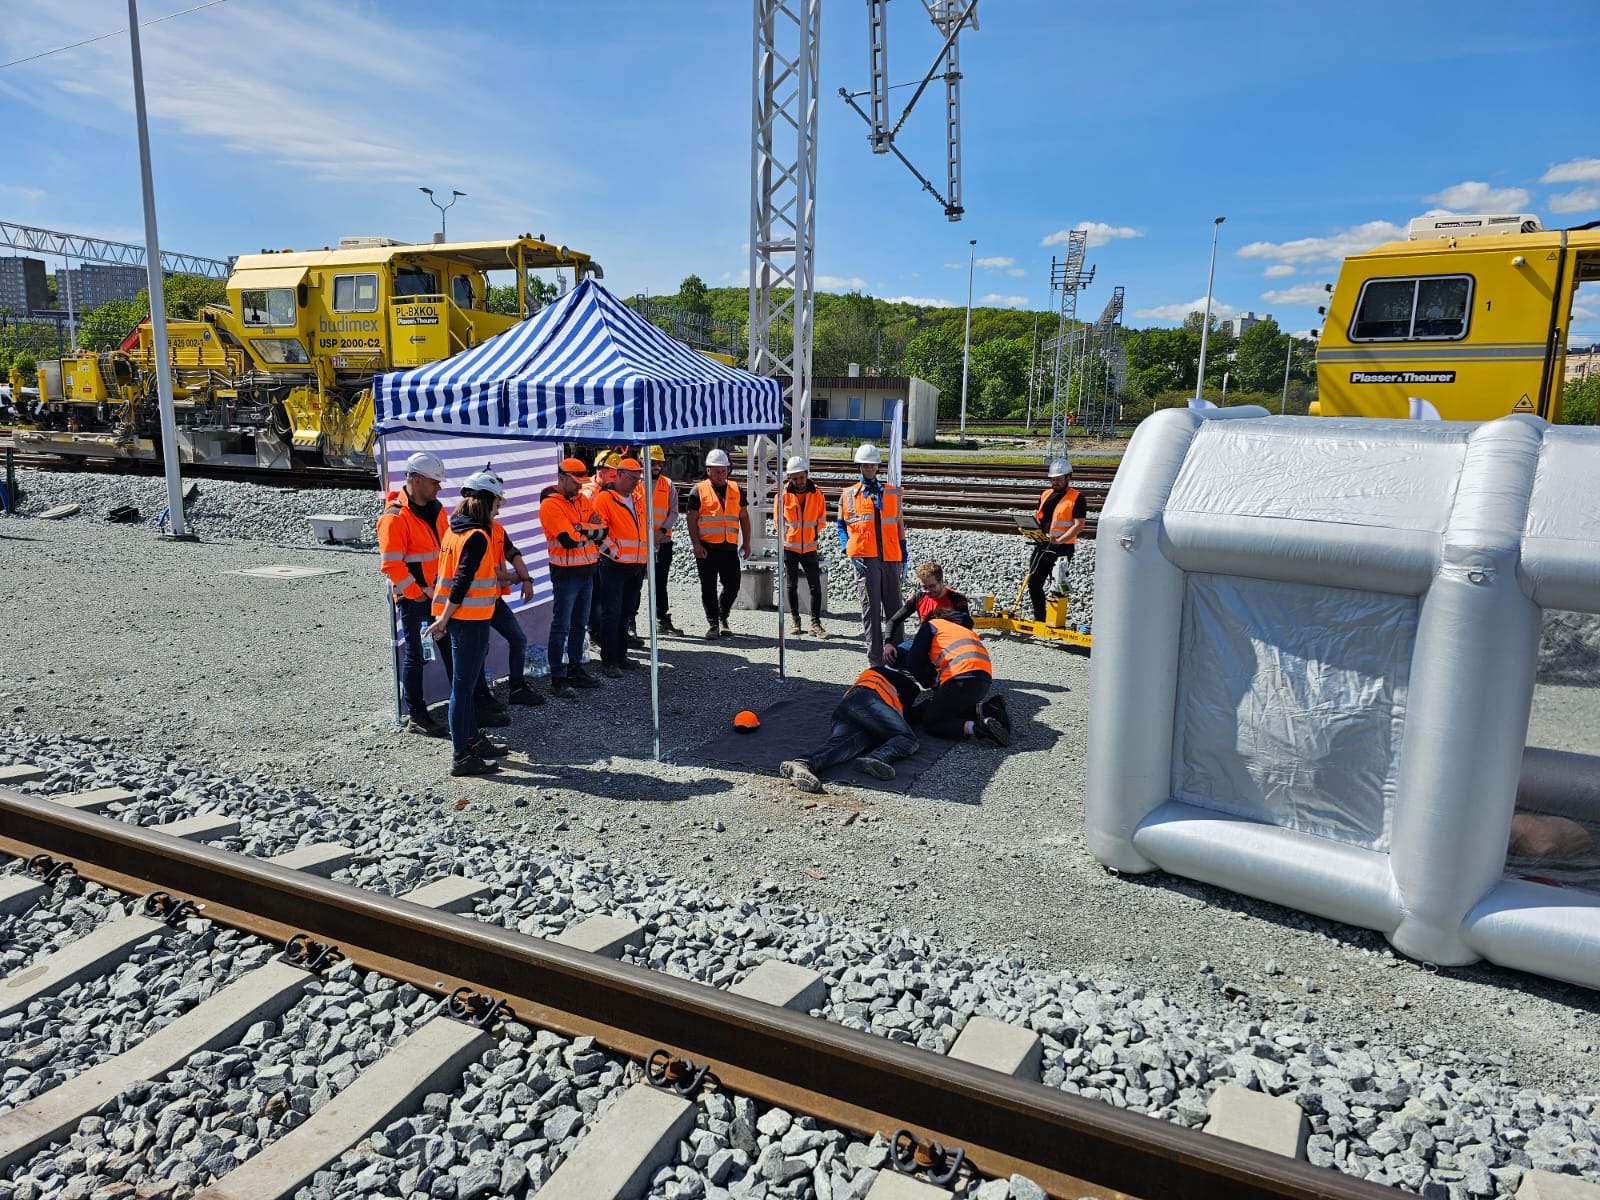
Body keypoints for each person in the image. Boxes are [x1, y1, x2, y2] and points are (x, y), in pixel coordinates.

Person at [425, 471, 512, 776]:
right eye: (497, 503)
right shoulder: (477, 536)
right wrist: (443, 620)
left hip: (464, 620)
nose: (498, 508)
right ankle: (461, 755)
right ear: (486, 502)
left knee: (467, 686)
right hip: (468, 621)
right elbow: (460, 583)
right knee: (462, 689)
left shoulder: (454, 531)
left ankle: (472, 739)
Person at [378, 451, 454, 737]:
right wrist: (417, 593)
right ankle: (417, 715)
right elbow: (391, 565)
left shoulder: (437, 508)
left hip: (437, 598)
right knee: (417, 656)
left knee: (448, 649)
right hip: (416, 601)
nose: (439, 487)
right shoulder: (395, 517)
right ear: (416, 479)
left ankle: (465, 704)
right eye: (435, 481)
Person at [779, 664, 922, 793]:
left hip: (849, 710)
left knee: (843, 744)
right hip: (866, 700)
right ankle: (876, 758)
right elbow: (913, 690)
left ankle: (803, 764)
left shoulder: (879, 688)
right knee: (907, 738)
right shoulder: (883, 677)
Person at [887, 609, 1009, 745]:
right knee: (951, 708)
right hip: (983, 680)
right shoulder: (960, 630)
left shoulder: (931, 625)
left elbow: (913, 661)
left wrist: (929, 683)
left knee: (932, 723)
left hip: (960, 679)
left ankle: (978, 728)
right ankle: (988, 708)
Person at [540, 458, 605, 700]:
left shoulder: (581, 500)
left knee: (579, 625)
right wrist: (588, 529)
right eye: (575, 482)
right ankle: (558, 678)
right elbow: (566, 540)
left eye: (581, 482)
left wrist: (580, 528)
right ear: (561, 478)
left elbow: (603, 529)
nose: (579, 487)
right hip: (566, 573)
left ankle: (575, 669)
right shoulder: (550, 505)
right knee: (561, 626)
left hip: (587, 570)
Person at [837, 443, 906, 666]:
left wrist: (904, 555)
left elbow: (899, 524)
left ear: (878, 466)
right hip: (866, 559)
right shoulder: (849, 495)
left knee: (895, 610)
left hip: (891, 557)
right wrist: (848, 550)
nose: (868, 469)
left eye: (872, 465)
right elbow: (841, 526)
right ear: (859, 466)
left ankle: (896, 658)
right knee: (871, 611)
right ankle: (876, 661)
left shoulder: (891, 493)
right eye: (864, 465)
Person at [484, 486, 545, 707]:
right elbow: (484, 570)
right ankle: (481, 697)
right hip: (474, 603)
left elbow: (513, 553)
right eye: (496, 505)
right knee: (481, 649)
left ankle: (517, 688)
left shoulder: (497, 528)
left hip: (493, 599)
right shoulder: (471, 532)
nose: (499, 510)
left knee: (518, 639)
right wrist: (512, 577)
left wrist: (526, 579)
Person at [591, 456, 649, 677]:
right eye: (633, 478)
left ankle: (621, 656)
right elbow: (599, 534)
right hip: (614, 565)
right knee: (611, 613)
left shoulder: (636, 498)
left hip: (636, 564)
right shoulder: (604, 499)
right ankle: (609, 661)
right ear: (620, 475)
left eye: (638, 478)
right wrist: (615, 553)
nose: (636, 482)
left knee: (625, 613)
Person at [686, 447, 751, 640]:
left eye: (724, 471)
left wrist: (746, 542)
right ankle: (713, 623)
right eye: (716, 471)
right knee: (708, 588)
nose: (721, 475)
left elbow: (744, 517)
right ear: (708, 470)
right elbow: (691, 518)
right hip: (707, 548)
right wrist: (696, 545)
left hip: (729, 547)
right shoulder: (698, 490)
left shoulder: (736, 489)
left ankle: (723, 616)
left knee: (733, 585)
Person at [1027, 458, 1086, 622]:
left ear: (1069, 478)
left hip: (1062, 548)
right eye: (1053, 479)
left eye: (1059, 480)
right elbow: (1039, 517)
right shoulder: (1045, 494)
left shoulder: (1077, 498)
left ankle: (1055, 622)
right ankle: (1040, 620)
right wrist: (1031, 528)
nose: (1055, 483)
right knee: (1034, 583)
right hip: (1043, 545)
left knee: (1058, 587)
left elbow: (1079, 525)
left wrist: (1060, 540)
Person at [781, 456, 829, 638]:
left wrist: (813, 533)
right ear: (790, 478)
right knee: (791, 586)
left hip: (809, 547)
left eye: (801, 477)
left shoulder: (817, 494)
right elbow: (779, 521)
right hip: (790, 548)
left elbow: (822, 518)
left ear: (807, 475)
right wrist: (788, 536)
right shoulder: (783, 495)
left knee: (815, 587)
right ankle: (795, 621)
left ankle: (815, 623)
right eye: (795, 478)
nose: (799, 481)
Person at [645, 446, 683, 636]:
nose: (656, 466)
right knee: (634, 585)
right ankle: (630, 623)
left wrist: (660, 532)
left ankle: (662, 619)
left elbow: (674, 512)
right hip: (640, 543)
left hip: (663, 541)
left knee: (660, 582)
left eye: (659, 463)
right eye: (653, 462)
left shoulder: (667, 484)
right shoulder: (635, 484)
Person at [887, 561, 970, 646]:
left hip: (949, 643)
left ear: (941, 581)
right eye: (924, 587)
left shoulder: (957, 598)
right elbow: (893, 621)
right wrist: (888, 643)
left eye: (932, 586)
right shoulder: (919, 598)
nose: (928, 591)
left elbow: (967, 623)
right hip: (926, 642)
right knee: (893, 655)